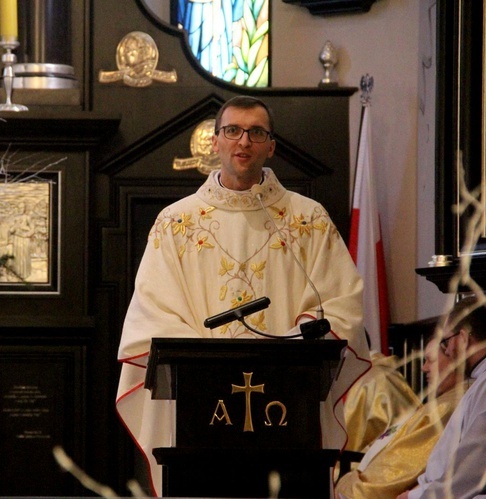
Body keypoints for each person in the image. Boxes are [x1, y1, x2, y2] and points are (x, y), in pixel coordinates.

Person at [116, 95, 371, 496]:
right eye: (232, 130)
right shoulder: (175, 223)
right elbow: (152, 312)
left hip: (289, 404)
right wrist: (208, 363)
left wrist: (292, 340)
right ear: (215, 141)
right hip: (202, 407)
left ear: (271, 146)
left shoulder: (308, 219)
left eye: (256, 132)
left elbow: (341, 304)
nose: (243, 141)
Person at [336, 336, 469, 498]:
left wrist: (348, 487)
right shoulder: (448, 401)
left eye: (430, 360)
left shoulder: (447, 407)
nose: (424, 368)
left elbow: (403, 465)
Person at [398, 295, 486, 499]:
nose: (447, 351)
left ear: (464, 338)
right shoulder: (483, 381)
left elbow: (470, 472)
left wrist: (414, 497)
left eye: (446, 342)